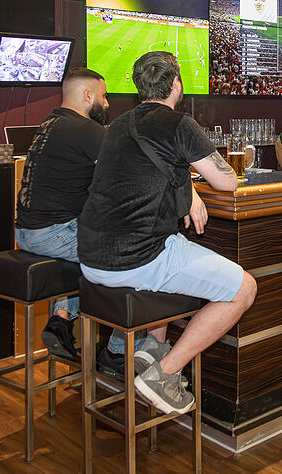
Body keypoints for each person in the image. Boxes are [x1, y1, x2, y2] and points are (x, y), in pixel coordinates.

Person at [78, 51, 257, 414]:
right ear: (176, 84)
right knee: (244, 289)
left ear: (137, 86)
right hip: (136, 259)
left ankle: (152, 347)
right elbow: (225, 180)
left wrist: (187, 190)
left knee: (176, 247)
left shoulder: (117, 126)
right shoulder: (178, 123)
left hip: (91, 258)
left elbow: (142, 171)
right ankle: (165, 374)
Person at [15, 67, 113, 360]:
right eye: (103, 96)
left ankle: (60, 320)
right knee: (131, 259)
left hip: (26, 233)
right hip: (54, 233)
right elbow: (123, 173)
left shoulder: (50, 124)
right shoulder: (86, 129)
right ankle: (117, 354)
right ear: (88, 95)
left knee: (86, 249)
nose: (106, 104)